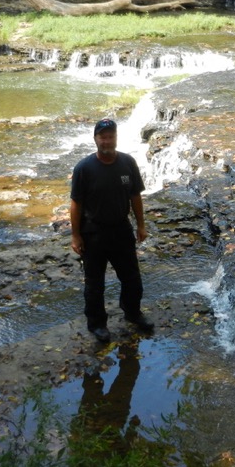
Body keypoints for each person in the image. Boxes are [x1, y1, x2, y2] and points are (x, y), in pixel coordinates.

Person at [70, 118, 154, 342]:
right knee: (95, 283)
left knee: (132, 278)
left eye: (111, 136)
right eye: (103, 137)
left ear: (116, 137)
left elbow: (135, 195)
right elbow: (76, 203)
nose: (107, 141)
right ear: (95, 139)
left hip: (121, 230)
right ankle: (97, 324)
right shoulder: (84, 168)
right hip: (93, 233)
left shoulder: (127, 163)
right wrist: (76, 235)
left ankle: (133, 313)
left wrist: (141, 225)